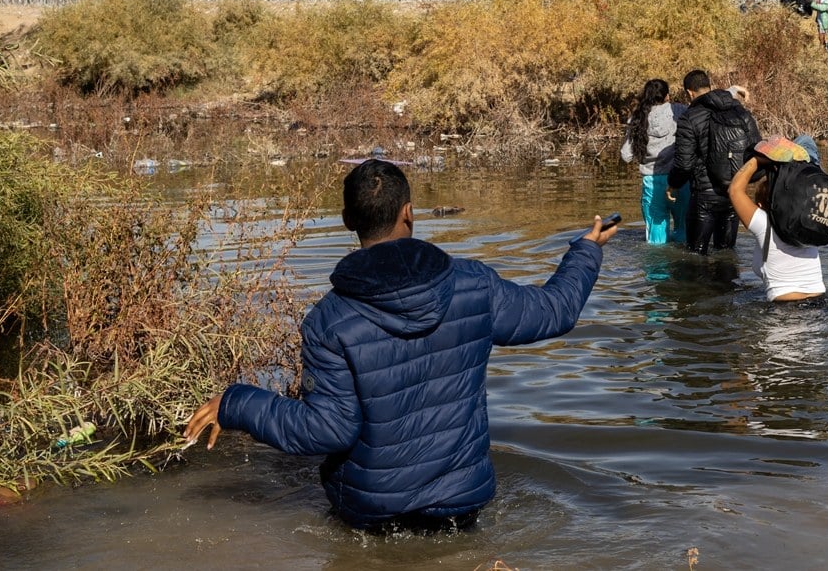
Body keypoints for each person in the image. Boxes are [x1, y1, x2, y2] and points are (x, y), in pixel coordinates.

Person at [183, 159, 617, 531]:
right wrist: (584, 252)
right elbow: (555, 312)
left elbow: (327, 430)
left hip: (371, 513)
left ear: (347, 220)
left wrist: (238, 403)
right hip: (460, 504)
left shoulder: (328, 320)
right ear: (410, 213)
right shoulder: (473, 285)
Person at [666, 70, 762, 255]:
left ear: (689, 93)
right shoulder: (740, 111)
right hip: (734, 194)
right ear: (709, 86)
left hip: (704, 197)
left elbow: (684, 164)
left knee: (695, 255)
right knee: (726, 254)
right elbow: (756, 148)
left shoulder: (689, 117)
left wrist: (673, 184)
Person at [728, 137, 826, 302]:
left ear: (759, 204)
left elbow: (734, 190)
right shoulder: (806, 220)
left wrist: (757, 159)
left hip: (785, 312)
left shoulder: (763, 223)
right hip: (821, 303)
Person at [621, 79, 689, 245]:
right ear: (667, 96)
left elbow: (626, 155)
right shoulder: (679, 110)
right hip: (680, 179)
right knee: (685, 231)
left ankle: (657, 271)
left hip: (652, 181)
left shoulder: (637, 118)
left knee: (656, 241)